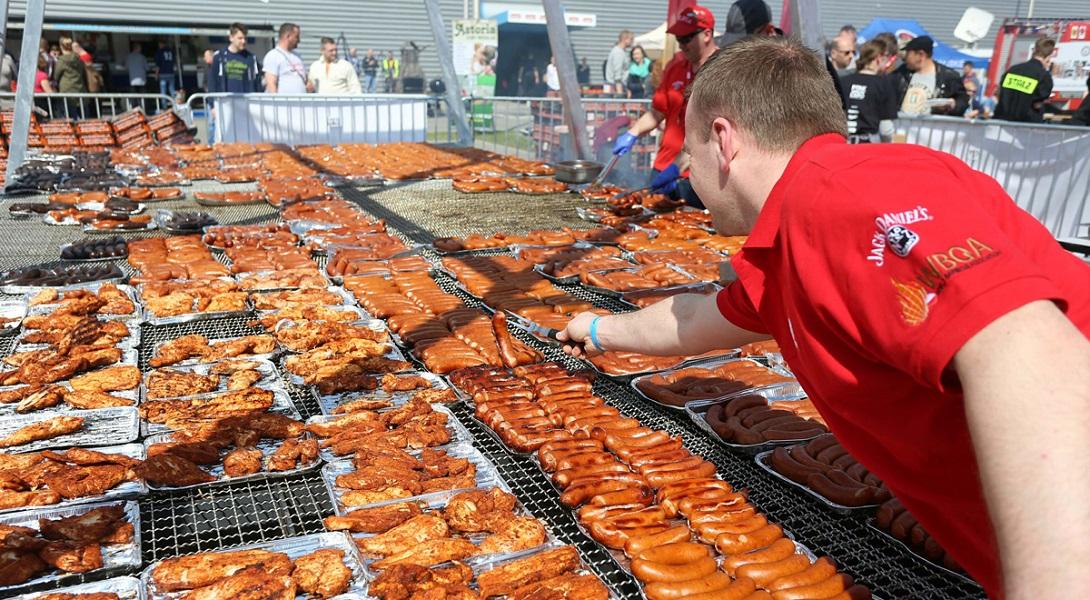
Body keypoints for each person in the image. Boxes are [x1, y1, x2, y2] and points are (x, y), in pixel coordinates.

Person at [559, 36, 1090, 600]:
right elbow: (695, 320)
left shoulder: (845, 195)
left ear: (723, 141)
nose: (687, 175)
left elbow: (1024, 343)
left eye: (688, 155)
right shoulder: (795, 236)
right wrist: (596, 331)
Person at [613, 6, 718, 207]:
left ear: (707, 34)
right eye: (679, 39)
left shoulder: (724, 71)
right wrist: (632, 133)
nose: (682, 45)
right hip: (663, 167)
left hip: (698, 176)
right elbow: (657, 112)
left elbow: (711, 136)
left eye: (687, 38)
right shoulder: (675, 67)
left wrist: (677, 169)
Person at [893, 36, 968, 116]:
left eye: (908, 53)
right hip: (901, 126)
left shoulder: (948, 76)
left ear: (920, 55)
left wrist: (953, 105)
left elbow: (963, 101)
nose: (905, 58)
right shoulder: (901, 73)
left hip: (932, 126)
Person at [840, 40, 897, 142]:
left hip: (843, 143)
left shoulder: (843, 81)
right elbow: (886, 129)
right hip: (869, 145)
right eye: (887, 59)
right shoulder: (883, 84)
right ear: (879, 58)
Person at [993, 37, 1055, 123]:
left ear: (1034, 51)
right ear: (1048, 57)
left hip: (1001, 123)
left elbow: (999, 94)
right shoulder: (1043, 76)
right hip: (1025, 127)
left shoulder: (1012, 70)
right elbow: (1037, 104)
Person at [208, 24, 261, 94]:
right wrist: (212, 102)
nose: (243, 41)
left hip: (246, 101)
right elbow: (212, 81)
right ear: (231, 38)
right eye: (240, 38)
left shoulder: (251, 58)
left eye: (245, 38)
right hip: (224, 101)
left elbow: (257, 82)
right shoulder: (219, 57)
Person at [263, 22, 311, 94]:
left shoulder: (297, 56)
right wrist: (276, 101)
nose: (299, 40)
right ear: (288, 36)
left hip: (300, 102)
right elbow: (271, 83)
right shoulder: (273, 55)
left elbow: (303, 77)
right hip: (283, 103)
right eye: (296, 37)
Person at [604, 30, 632, 96]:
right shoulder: (618, 53)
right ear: (625, 39)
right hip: (615, 88)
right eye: (631, 39)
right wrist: (620, 94)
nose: (632, 42)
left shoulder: (621, 52)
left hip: (616, 86)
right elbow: (617, 74)